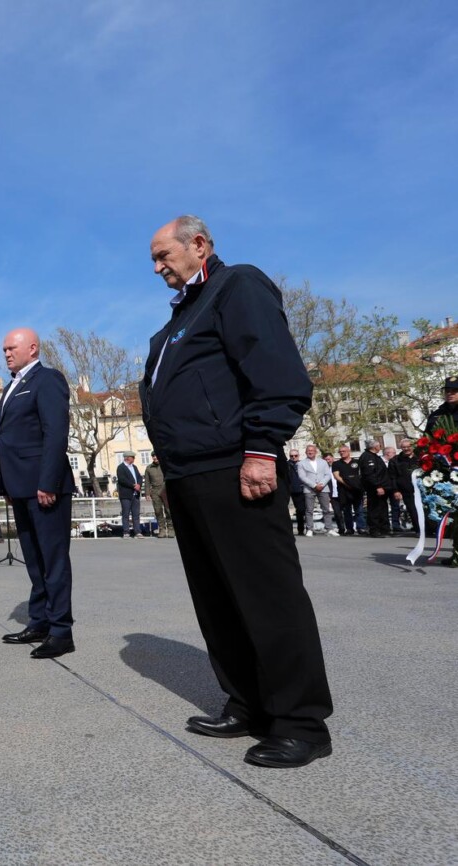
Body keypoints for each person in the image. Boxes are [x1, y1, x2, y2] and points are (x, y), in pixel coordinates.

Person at [141, 215, 332, 769]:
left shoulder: (236, 285)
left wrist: (262, 447)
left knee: (267, 597)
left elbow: (276, 372)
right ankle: (247, 702)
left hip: (234, 466)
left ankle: (300, 722)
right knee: (218, 600)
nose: (157, 268)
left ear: (198, 245)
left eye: (163, 255)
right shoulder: (179, 318)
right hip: (188, 475)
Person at [0, 327, 77, 659]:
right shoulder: (11, 387)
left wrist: (48, 482)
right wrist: (6, 485)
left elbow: (55, 432)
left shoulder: (47, 380)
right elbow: (6, 440)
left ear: (32, 348)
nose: (6, 354)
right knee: (34, 559)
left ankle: (61, 631)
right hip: (20, 488)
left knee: (53, 559)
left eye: (11, 348)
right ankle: (39, 621)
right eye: (4, 350)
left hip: (44, 487)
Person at [297, 445, 337, 536]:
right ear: (305, 452)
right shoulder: (301, 463)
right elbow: (302, 477)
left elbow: (328, 475)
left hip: (323, 488)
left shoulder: (323, 462)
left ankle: (329, 528)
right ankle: (310, 529)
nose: (310, 452)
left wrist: (321, 484)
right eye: (308, 450)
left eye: (312, 450)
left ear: (316, 452)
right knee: (309, 510)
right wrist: (314, 485)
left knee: (326, 509)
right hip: (309, 489)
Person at [359, 439, 391, 538]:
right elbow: (369, 474)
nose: (380, 447)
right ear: (375, 447)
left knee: (382, 508)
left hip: (383, 487)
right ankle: (375, 530)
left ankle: (384, 529)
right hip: (374, 488)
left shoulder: (375, 457)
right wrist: (377, 486)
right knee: (375, 509)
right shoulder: (367, 457)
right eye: (379, 445)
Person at [331, 445, 364, 537]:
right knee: (347, 511)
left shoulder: (357, 462)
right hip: (343, 490)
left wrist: (357, 484)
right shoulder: (336, 464)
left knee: (359, 510)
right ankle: (349, 529)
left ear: (349, 451)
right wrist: (347, 484)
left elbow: (362, 474)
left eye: (344, 451)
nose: (342, 453)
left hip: (357, 490)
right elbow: (336, 476)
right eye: (340, 451)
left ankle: (361, 527)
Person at [390, 438, 417, 535]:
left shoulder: (420, 458)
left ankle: (429, 528)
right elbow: (392, 477)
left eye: (408, 446)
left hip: (421, 489)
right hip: (407, 490)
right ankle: (418, 529)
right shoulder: (395, 460)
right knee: (412, 510)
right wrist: (396, 491)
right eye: (403, 447)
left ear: (412, 446)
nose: (406, 449)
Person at [144, 453, 173, 538]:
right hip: (155, 491)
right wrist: (147, 493)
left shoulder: (165, 466)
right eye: (153, 456)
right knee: (158, 511)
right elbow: (147, 482)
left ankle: (171, 529)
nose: (155, 457)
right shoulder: (149, 468)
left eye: (156, 455)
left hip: (165, 489)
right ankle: (162, 530)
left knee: (168, 510)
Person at [116, 452, 143, 538]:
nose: (134, 459)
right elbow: (122, 480)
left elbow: (139, 477)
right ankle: (126, 532)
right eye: (133, 457)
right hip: (126, 495)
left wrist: (139, 484)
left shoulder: (134, 467)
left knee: (136, 514)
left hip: (135, 494)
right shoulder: (121, 468)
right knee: (126, 514)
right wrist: (133, 485)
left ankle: (137, 532)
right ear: (127, 458)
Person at [286, 449, 306, 536]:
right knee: (296, 510)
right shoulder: (286, 465)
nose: (293, 457)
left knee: (303, 510)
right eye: (291, 456)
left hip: (302, 489)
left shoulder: (303, 464)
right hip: (291, 490)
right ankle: (295, 530)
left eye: (295, 455)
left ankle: (305, 529)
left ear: (299, 456)